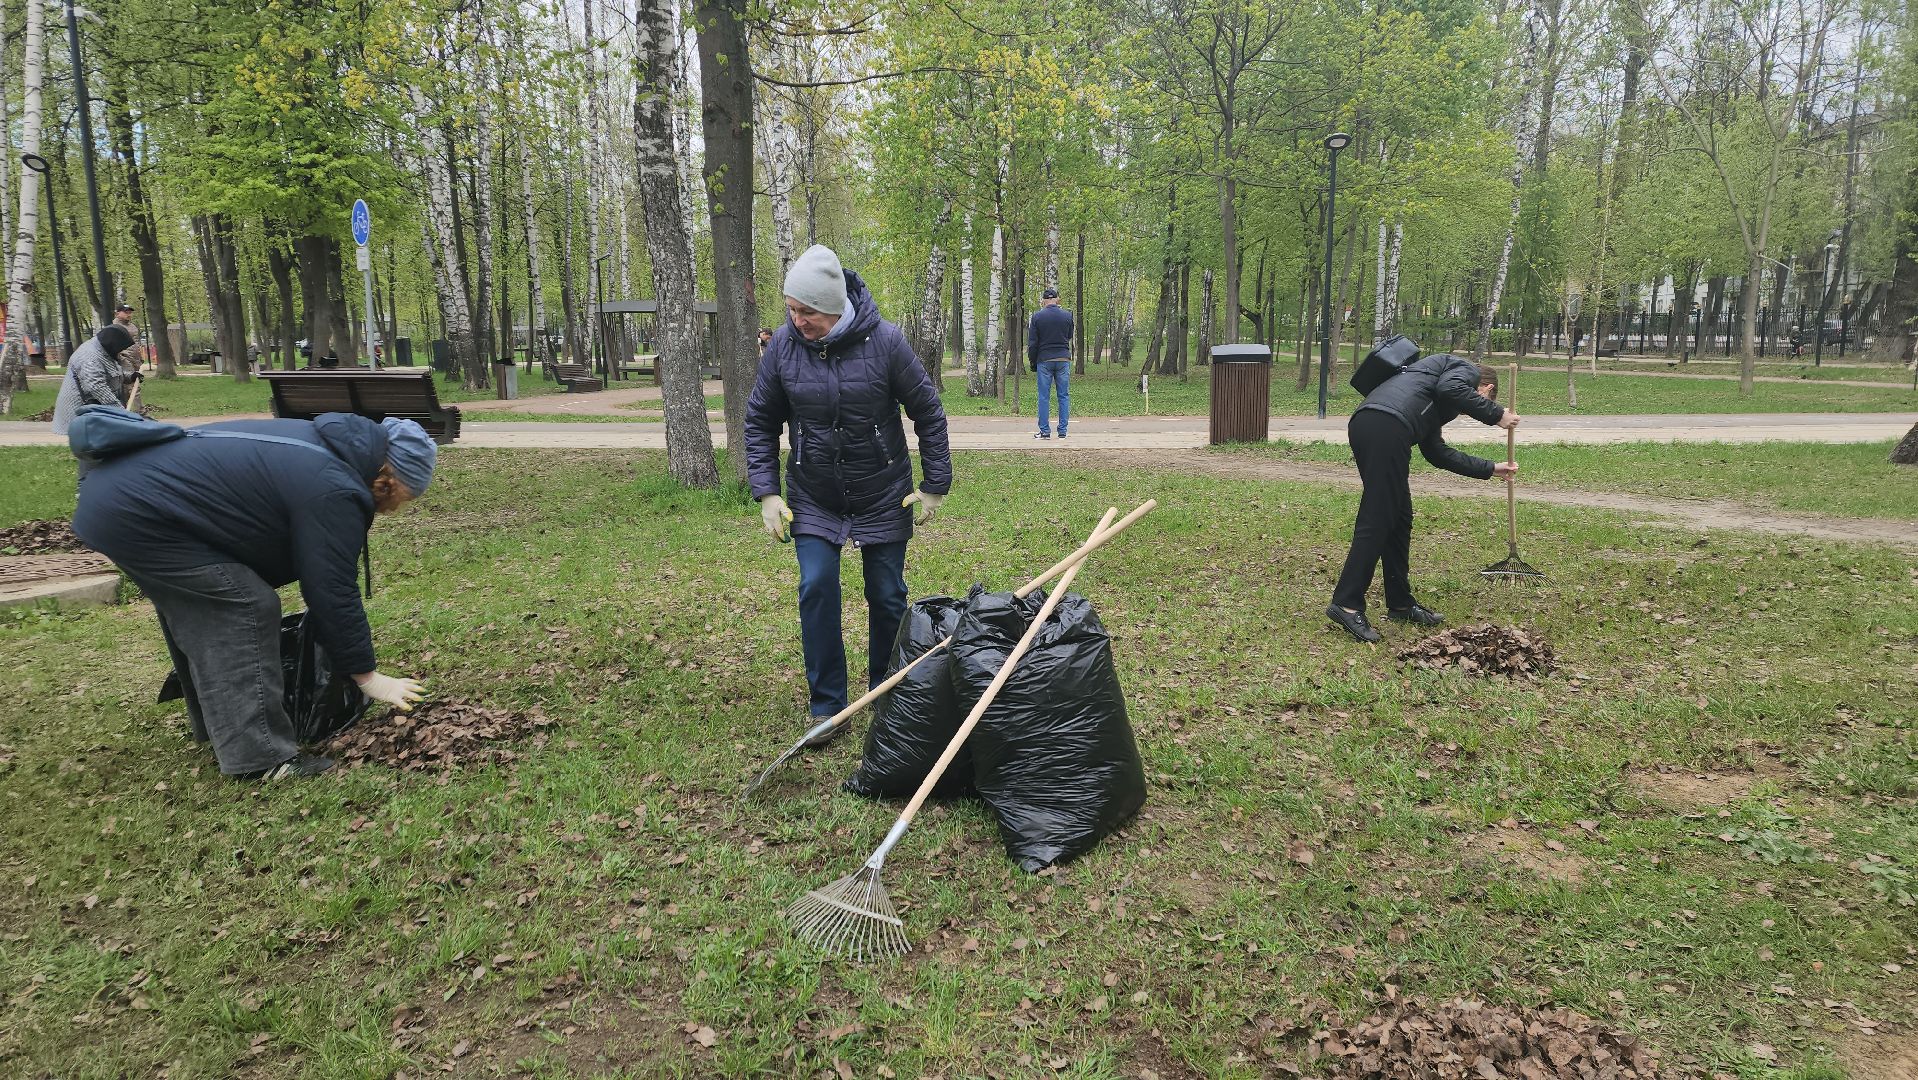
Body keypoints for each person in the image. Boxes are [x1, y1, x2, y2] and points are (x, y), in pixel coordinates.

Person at [71, 413, 437, 779]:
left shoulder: (330, 447)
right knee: (243, 606)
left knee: (204, 609)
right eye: (401, 497)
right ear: (386, 480)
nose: (394, 509)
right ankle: (259, 758)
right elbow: (332, 589)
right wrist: (368, 678)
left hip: (122, 501)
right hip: (138, 513)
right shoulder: (334, 486)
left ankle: (221, 728)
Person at [745, 244, 953, 742]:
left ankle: (885, 694)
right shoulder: (782, 348)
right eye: (791, 310)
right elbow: (760, 418)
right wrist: (768, 491)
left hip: (882, 491)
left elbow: (928, 410)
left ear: (836, 307)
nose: (796, 321)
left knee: (886, 595)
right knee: (816, 586)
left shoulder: (885, 342)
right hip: (814, 493)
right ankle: (828, 707)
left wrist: (934, 485)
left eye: (807, 312)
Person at [1326, 353, 1519, 643]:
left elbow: (1436, 452)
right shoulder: (1464, 371)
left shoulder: (1432, 396)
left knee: (1399, 517)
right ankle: (1346, 602)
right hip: (1386, 426)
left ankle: (1400, 604)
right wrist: (1497, 415)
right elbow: (1452, 389)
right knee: (1378, 517)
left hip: (1380, 425)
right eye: (1484, 401)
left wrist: (1491, 469)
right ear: (1486, 390)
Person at [51, 325, 138, 435]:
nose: (121, 351)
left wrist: (130, 377)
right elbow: (97, 387)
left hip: (96, 412)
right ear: (113, 344)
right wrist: (120, 411)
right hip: (81, 414)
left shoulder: (102, 351)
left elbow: (111, 373)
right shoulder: (90, 357)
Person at [1028, 286, 1074, 440]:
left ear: (1043, 301)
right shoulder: (1067, 316)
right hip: (1063, 359)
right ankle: (1062, 431)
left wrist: (1033, 361)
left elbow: (1033, 343)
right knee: (1063, 396)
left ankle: (1045, 431)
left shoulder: (1037, 317)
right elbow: (1068, 336)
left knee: (1043, 396)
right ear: (1057, 299)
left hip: (1045, 359)